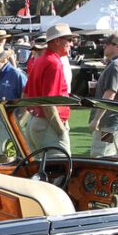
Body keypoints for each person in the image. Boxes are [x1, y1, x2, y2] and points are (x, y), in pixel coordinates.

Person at [23, 22, 75, 153]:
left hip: (36, 122)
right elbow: (48, 103)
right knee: (61, 169)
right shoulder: (53, 63)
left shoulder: (41, 59)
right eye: (69, 39)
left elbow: (25, 95)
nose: (72, 43)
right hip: (48, 126)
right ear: (57, 41)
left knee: (41, 169)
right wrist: (61, 130)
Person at [90, 32, 118, 158]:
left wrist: (96, 119)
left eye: (107, 44)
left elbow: (109, 95)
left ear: (117, 46)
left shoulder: (116, 66)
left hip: (109, 125)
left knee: (101, 158)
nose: (104, 46)